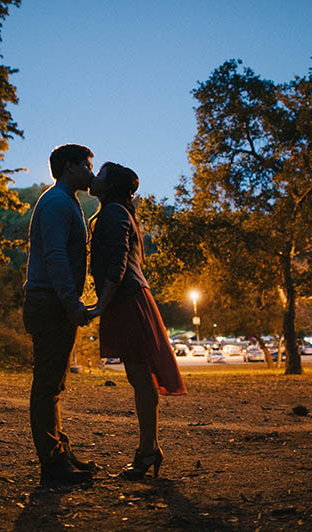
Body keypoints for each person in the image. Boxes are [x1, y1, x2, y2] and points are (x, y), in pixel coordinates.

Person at [87, 162, 187, 480]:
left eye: (100, 174)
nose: (94, 177)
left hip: (128, 298)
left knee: (140, 376)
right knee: (138, 376)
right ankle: (149, 448)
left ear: (112, 184)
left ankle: (148, 450)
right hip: (126, 297)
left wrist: (100, 303)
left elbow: (117, 263)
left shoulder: (115, 212)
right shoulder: (115, 211)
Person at [23, 143, 97, 485]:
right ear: (69, 167)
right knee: (48, 384)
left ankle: (60, 453)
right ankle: (52, 465)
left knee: (55, 384)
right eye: (86, 165)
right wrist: (71, 302)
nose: (91, 172)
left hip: (53, 301)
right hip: (49, 302)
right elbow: (54, 257)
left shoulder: (67, 201)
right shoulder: (56, 203)